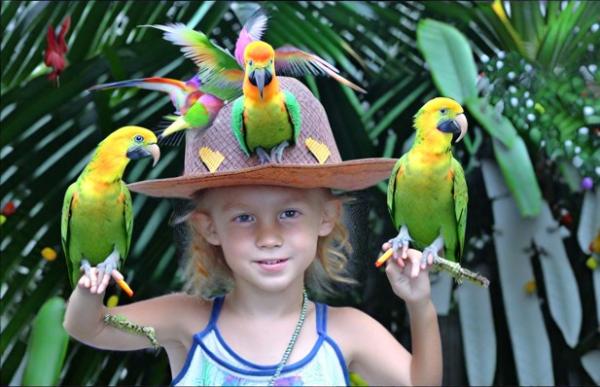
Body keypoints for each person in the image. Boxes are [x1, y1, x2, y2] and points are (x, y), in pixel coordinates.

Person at [63, 78, 442, 386]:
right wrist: (89, 287)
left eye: (289, 213)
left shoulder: (347, 331)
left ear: (326, 217)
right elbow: (88, 327)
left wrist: (419, 304)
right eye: (244, 218)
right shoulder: (185, 320)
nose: (268, 236)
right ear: (209, 227)